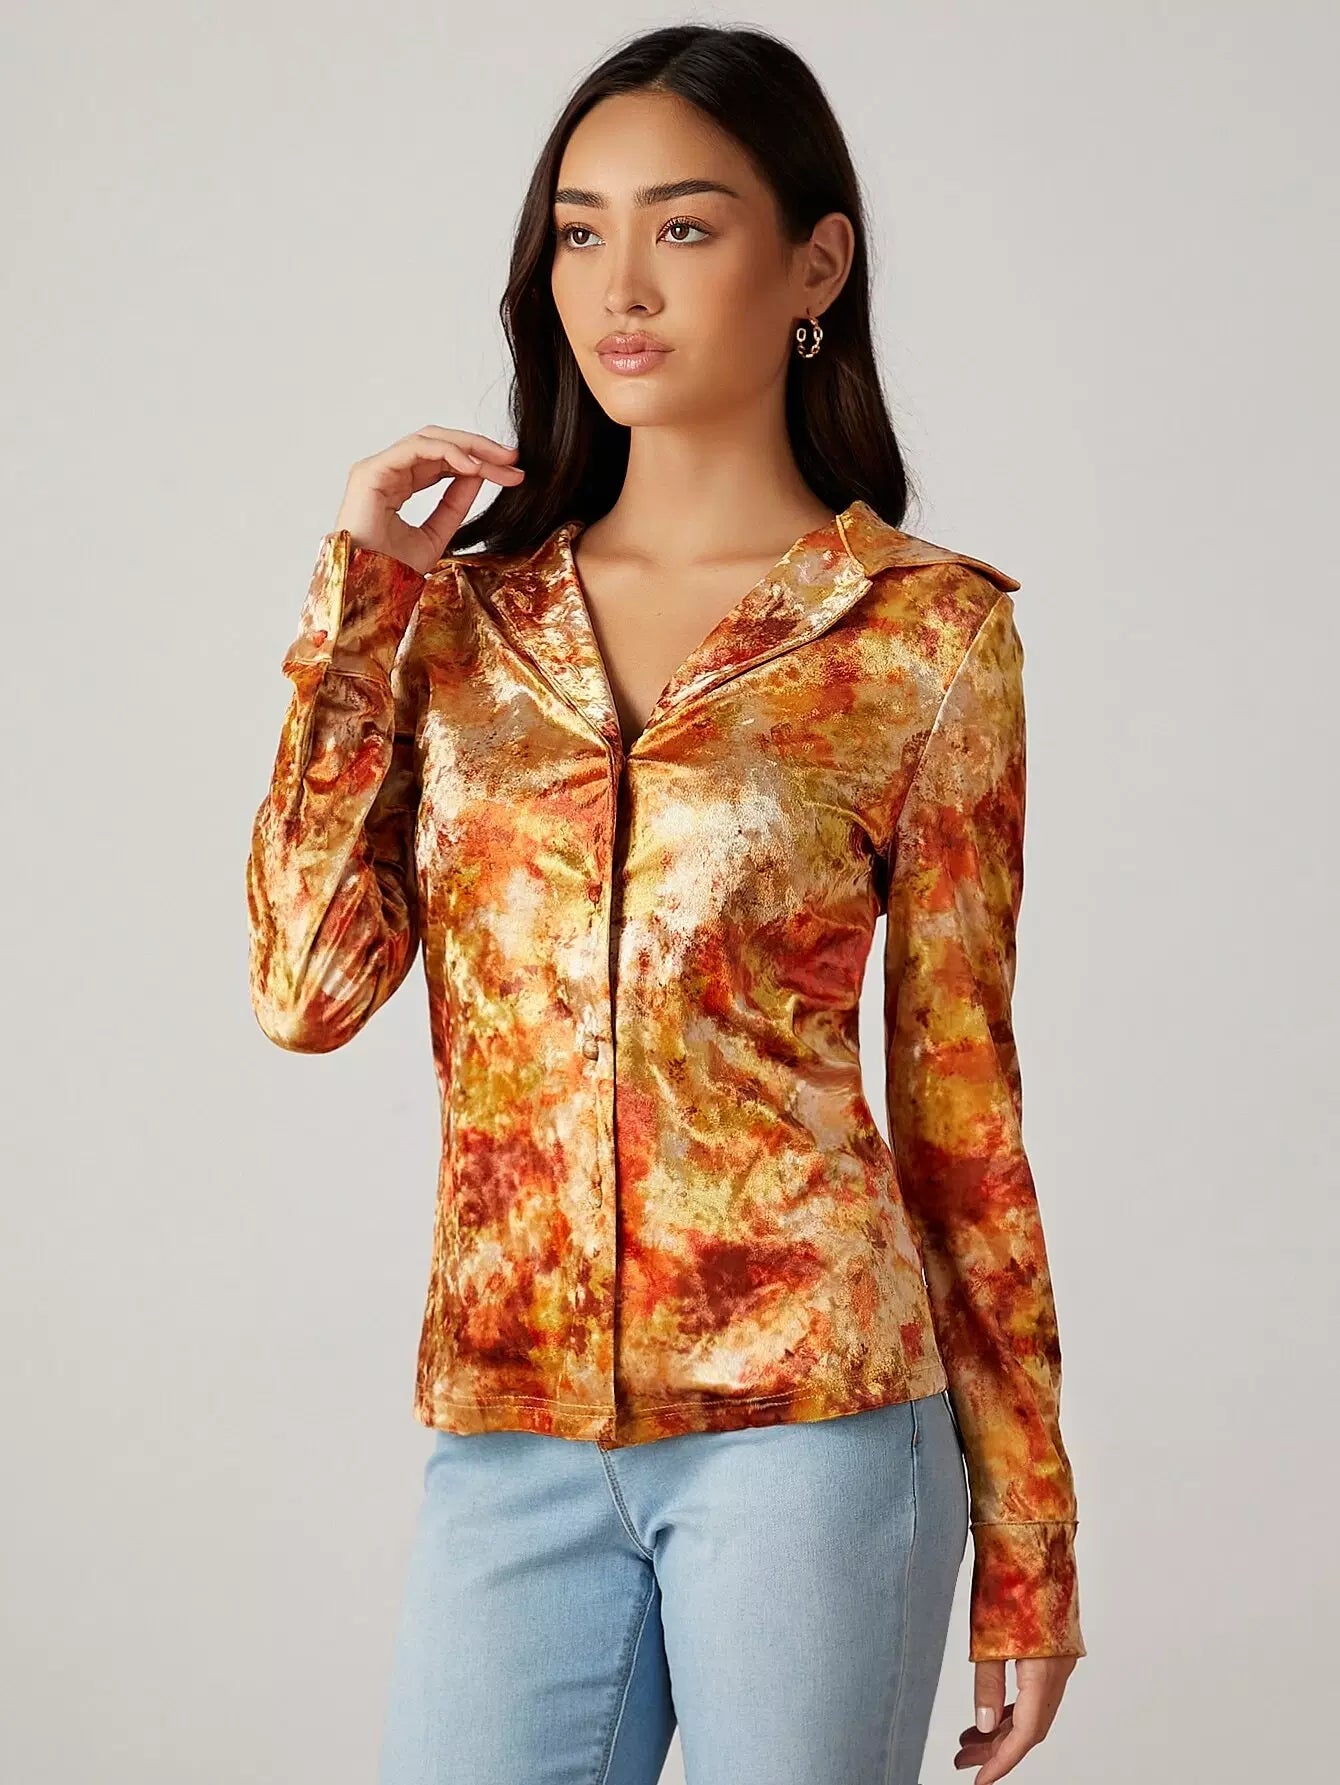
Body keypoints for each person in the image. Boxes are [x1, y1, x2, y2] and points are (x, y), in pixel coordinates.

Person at [245, 22, 1086, 1785]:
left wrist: (1030, 1540)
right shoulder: (466, 627)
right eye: (580, 231)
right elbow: (305, 988)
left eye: (685, 227)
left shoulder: (923, 637)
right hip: (511, 1428)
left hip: (817, 1419)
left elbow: (962, 1109)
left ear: (816, 266)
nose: (620, 286)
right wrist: (359, 614)